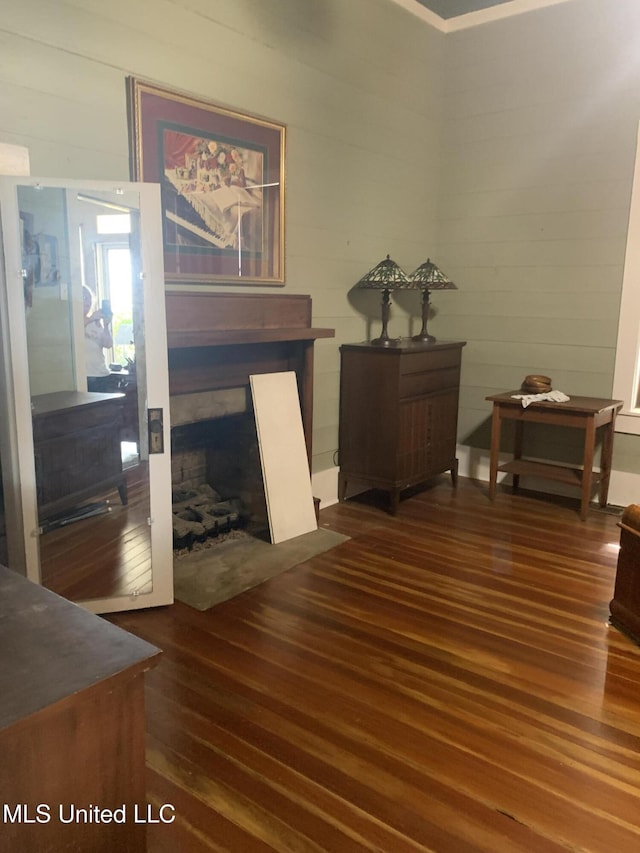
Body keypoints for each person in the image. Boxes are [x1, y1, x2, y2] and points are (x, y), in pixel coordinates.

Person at [83, 285, 113, 391]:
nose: (87, 302)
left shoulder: (96, 323)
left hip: (101, 373)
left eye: (89, 299)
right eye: (84, 298)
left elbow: (108, 344)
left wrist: (106, 325)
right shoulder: (75, 322)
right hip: (86, 376)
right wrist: (91, 318)